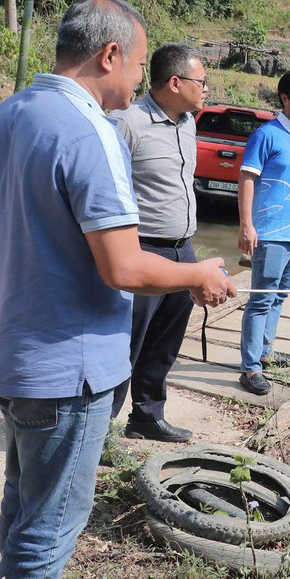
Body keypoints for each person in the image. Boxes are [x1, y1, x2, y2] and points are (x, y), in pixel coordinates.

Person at [0, 0, 235, 579]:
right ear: (110, 55)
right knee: (55, 511)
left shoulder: (6, 115)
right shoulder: (90, 131)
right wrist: (196, 273)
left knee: (26, 493)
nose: (138, 77)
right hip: (66, 362)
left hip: (9, 346)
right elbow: (121, 264)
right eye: (140, 61)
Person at [108, 43, 211, 442]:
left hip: (182, 247)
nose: (205, 89)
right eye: (201, 82)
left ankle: (147, 416)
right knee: (125, 345)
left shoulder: (189, 123)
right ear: (175, 82)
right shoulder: (127, 123)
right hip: (142, 250)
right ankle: (99, 429)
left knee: (165, 340)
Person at [236, 70, 290, 396]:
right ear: (285, 98)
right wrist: (247, 225)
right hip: (270, 234)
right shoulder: (266, 135)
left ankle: (266, 351)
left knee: (279, 297)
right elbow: (246, 179)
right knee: (260, 300)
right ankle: (250, 368)